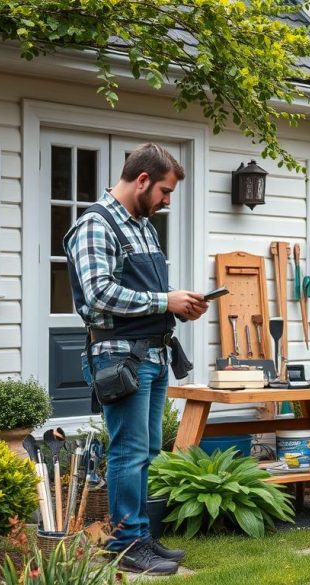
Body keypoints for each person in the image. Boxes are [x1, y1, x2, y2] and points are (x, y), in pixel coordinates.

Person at [64, 143, 208, 575]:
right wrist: (165, 299)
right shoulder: (95, 224)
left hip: (153, 352)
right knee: (127, 452)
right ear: (142, 180)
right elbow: (99, 293)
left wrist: (179, 305)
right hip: (118, 356)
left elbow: (143, 293)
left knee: (144, 449)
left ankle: (140, 534)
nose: (166, 201)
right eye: (164, 191)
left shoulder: (144, 226)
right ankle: (125, 544)